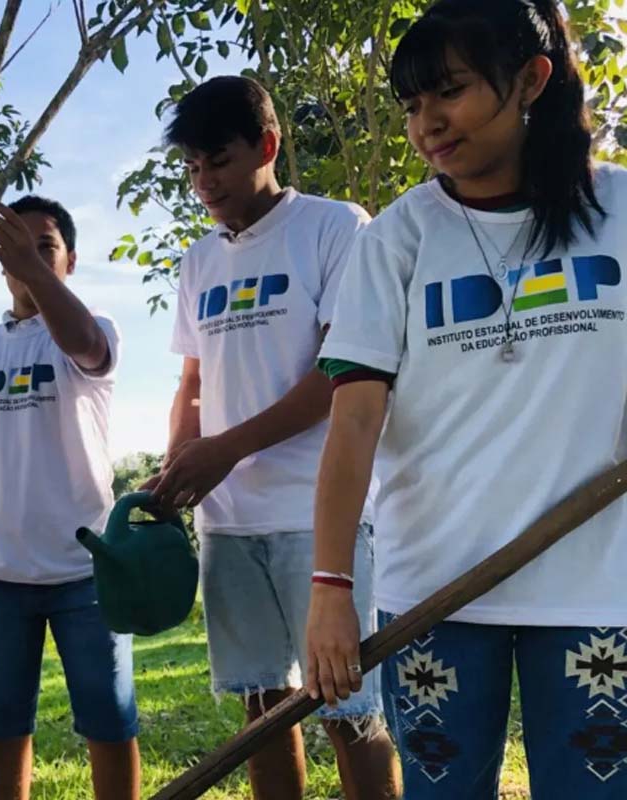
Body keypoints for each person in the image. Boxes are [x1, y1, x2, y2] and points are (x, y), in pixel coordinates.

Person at [307, 1, 627, 797]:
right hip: (435, 592)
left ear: (530, 80)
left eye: (447, 92)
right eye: (412, 106)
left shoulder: (620, 211)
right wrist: (331, 588)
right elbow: (353, 422)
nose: (427, 125)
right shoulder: (397, 237)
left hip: (599, 585)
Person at [145, 76, 401, 799]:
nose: (205, 182)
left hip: (320, 514)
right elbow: (193, 386)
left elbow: (341, 373)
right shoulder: (199, 261)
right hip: (229, 524)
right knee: (261, 710)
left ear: (268, 143)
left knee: (349, 708)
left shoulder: (334, 226)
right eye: (192, 167)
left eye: (218, 160)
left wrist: (226, 450)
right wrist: (177, 468)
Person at [0, 195, 139, 799]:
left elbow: (83, 344)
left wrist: (35, 270)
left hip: (87, 570)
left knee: (109, 721)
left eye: (44, 247)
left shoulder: (94, 330)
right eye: (16, 247)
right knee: (2, 728)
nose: (28, 257)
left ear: (69, 260)